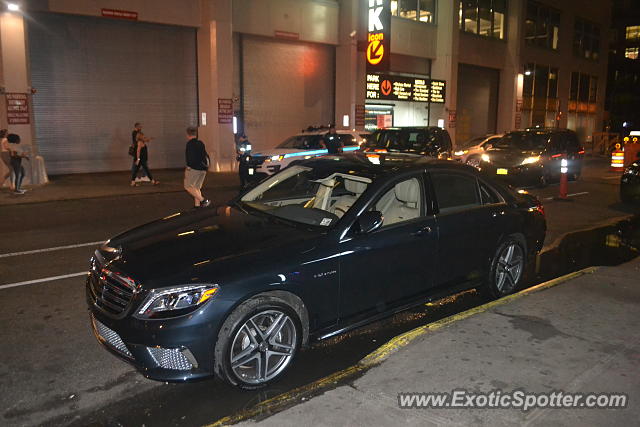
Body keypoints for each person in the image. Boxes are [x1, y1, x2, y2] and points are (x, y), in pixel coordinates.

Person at [184, 126, 210, 207]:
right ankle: (197, 205)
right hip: (203, 169)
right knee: (196, 187)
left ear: (188, 135)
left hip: (194, 169)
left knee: (188, 186)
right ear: (196, 134)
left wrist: (189, 167)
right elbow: (205, 155)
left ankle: (203, 200)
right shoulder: (200, 143)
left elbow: (190, 157)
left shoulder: (190, 144)